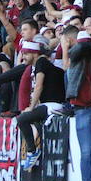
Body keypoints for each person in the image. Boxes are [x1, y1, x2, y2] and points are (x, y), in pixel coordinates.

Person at [17, 41, 66, 170]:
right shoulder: (40, 65)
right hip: (49, 105)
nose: (24, 57)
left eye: (26, 54)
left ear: (34, 54)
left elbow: (39, 86)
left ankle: (32, 152)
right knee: (33, 121)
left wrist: (31, 107)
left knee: (22, 119)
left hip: (53, 105)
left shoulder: (41, 62)